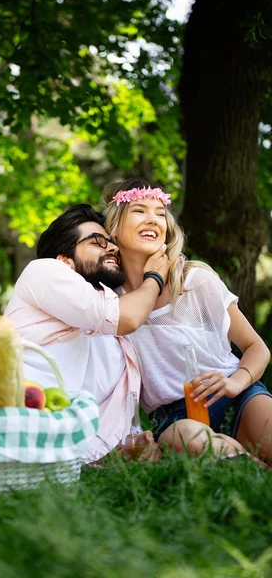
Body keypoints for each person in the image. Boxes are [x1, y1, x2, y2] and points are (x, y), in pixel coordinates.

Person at [5, 204, 245, 461]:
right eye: (97, 242)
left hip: (67, 451)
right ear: (65, 260)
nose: (112, 248)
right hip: (13, 419)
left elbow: (114, 413)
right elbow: (127, 317)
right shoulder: (45, 271)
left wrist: (131, 444)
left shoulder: (112, 335)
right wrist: (154, 276)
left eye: (111, 243)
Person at [103, 178, 272, 462]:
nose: (153, 220)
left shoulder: (196, 281)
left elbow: (256, 347)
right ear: (114, 228)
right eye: (139, 210)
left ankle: (240, 457)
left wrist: (236, 383)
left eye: (160, 214)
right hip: (174, 416)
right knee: (191, 441)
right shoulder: (110, 301)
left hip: (235, 394)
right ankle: (252, 468)